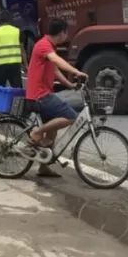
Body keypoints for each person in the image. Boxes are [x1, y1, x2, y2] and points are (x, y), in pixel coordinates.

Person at [26, 19, 87, 178]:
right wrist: (76, 72)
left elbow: (54, 70)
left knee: (52, 132)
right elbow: (56, 61)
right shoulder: (44, 45)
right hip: (39, 95)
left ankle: (43, 167)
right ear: (62, 33)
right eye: (66, 32)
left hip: (42, 93)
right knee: (71, 117)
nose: (67, 35)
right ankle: (36, 133)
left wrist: (69, 85)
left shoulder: (49, 45)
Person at [0, 10, 25, 88]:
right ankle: (19, 101)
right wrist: (26, 65)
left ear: (0, 20)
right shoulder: (18, 31)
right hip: (14, 65)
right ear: (10, 19)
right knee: (17, 90)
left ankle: (1, 100)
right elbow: (22, 51)